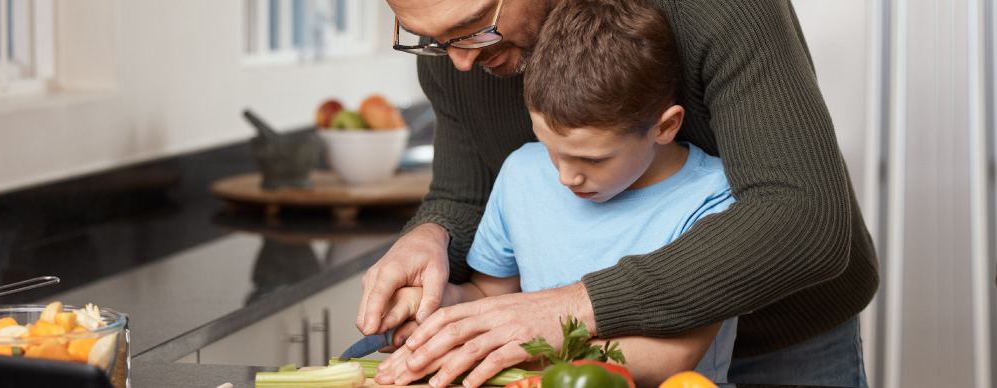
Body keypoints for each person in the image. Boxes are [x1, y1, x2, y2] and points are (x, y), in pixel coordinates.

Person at [358, 0, 879, 387]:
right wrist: (429, 236)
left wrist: (565, 311)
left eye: (470, 27)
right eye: (426, 37)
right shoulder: (458, 53)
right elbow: (466, 190)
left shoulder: (716, 8)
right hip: (563, 359)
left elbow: (802, 214)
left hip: (785, 334)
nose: (459, 62)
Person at [374, 1, 737, 385]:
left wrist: (528, 355)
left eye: (593, 160)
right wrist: (431, 307)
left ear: (666, 127)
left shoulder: (713, 198)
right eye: (550, 149)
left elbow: (670, 356)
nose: (565, 177)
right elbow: (487, 296)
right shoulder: (522, 172)